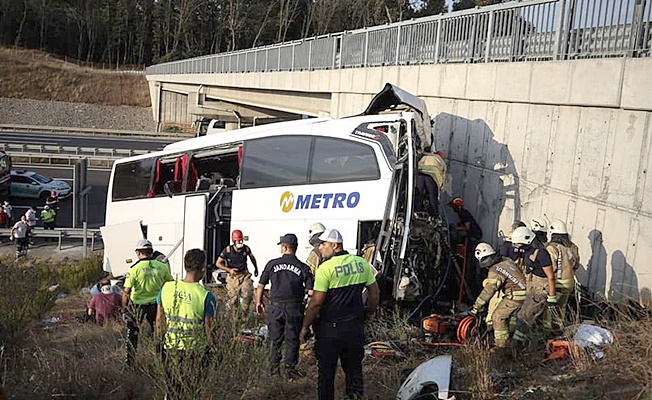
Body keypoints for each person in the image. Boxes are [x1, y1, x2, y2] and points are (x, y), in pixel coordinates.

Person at [300, 228, 380, 400]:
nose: (320, 248)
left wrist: (305, 326)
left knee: (326, 374)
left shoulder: (326, 268)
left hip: (330, 331)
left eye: (323, 244)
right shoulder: (360, 263)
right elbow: (374, 293)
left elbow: (316, 303)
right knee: (354, 372)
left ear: (334, 245)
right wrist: (369, 313)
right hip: (354, 328)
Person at [156, 248, 217, 400]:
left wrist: (159, 342)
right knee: (193, 389)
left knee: (172, 388)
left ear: (185, 266)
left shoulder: (167, 288)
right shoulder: (206, 296)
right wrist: (215, 348)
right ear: (203, 269)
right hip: (195, 350)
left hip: (171, 347)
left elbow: (159, 320)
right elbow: (209, 329)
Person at [255, 233, 314, 377]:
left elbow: (261, 285)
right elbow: (311, 291)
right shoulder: (303, 267)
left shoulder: (272, 264)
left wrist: (258, 301)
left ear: (285, 247)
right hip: (294, 308)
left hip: (275, 307)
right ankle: (290, 370)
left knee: (275, 340)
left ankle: (274, 371)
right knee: (292, 339)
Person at [122, 239, 174, 366]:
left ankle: (130, 362)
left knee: (133, 334)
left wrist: (124, 309)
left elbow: (126, 292)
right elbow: (170, 285)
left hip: (138, 305)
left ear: (139, 253)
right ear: (151, 252)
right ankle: (162, 361)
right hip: (157, 305)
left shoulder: (134, 269)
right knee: (159, 333)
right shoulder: (161, 266)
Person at [469, 243, 527, 348]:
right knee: (512, 318)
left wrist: (476, 307)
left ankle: (501, 346)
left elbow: (489, 291)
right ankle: (514, 342)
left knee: (498, 316)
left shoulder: (495, 269)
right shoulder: (506, 260)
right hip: (525, 293)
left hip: (516, 296)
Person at [510, 227, 557, 346]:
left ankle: (516, 346)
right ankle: (525, 342)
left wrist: (552, 297)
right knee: (521, 314)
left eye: (519, 244)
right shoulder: (529, 251)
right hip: (532, 286)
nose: (517, 247)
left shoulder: (542, 254)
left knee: (526, 316)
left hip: (541, 288)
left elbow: (550, 276)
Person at [215, 229, 258, 314]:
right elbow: (218, 263)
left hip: (244, 275)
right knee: (233, 299)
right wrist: (229, 270)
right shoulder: (227, 251)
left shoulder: (246, 249)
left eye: (241, 240)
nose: (240, 242)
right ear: (233, 241)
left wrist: (256, 268)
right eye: (238, 240)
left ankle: (244, 314)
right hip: (233, 277)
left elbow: (252, 257)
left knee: (248, 293)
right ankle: (235, 316)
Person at [545, 219, 580, 321]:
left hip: (558, 282)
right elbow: (576, 264)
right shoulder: (573, 246)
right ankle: (558, 328)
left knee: (550, 308)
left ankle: (548, 330)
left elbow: (551, 267)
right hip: (569, 282)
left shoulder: (552, 248)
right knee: (562, 307)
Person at [415, 151, 447, 218]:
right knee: (432, 196)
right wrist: (439, 190)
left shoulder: (426, 154)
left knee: (418, 194)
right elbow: (443, 177)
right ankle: (434, 215)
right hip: (432, 175)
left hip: (420, 172)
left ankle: (416, 212)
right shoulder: (442, 161)